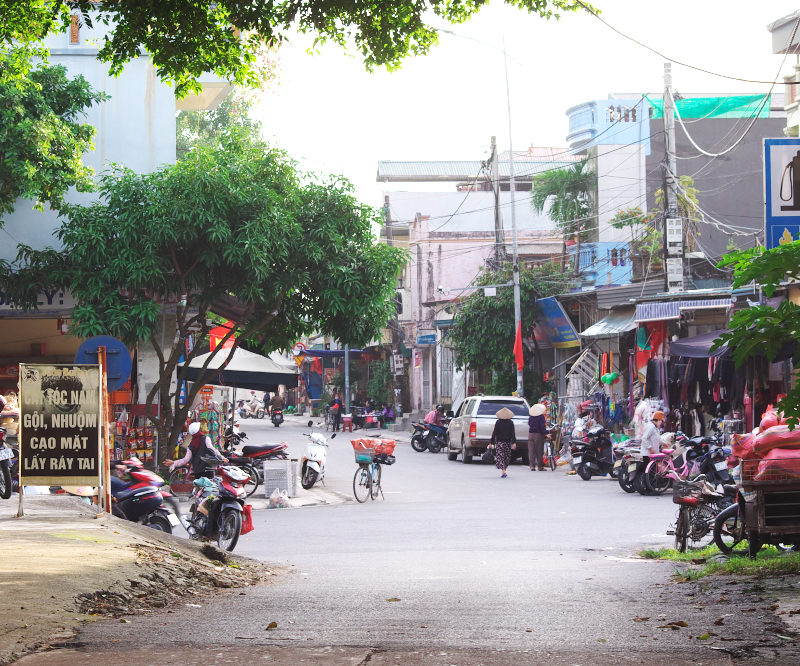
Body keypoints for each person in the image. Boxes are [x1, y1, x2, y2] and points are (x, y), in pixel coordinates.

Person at [489, 407, 517, 478]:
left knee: (500, 456)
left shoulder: (498, 422)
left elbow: (494, 433)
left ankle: (503, 470)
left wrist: (491, 442)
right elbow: (512, 433)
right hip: (507, 442)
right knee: (507, 456)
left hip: (499, 442)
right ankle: (504, 469)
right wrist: (514, 442)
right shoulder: (510, 422)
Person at [527, 403, 548, 471]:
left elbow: (529, 424)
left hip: (530, 434)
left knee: (531, 450)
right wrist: (546, 434)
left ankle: (532, 466)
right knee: (539, 450)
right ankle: (540, 466)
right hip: (538, 434)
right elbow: (542, 427)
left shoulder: (531, 417)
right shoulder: (541, 417)